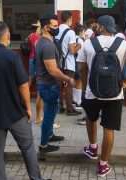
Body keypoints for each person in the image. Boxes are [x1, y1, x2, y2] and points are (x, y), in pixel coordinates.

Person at [0, 21, 50, 180]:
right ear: (8, 36)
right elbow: (23, 85)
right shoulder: (12, 57)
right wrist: (28, 108)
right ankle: (36, 178)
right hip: (16, 113)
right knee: (28, 147)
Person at [77, 15, 126, 177]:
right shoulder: (124, 44)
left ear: (100, 27)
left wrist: (86, 87)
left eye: (97, 25)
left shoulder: (88, 43)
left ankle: (92, 148)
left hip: (92, 91)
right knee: (109, 128)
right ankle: (103, 165)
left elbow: (81, 67)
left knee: (91, 118)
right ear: (112, 28)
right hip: (115, 93)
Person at [36, 14, 76, 153]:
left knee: (52, 113)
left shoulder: (46, 42)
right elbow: (52, 70)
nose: (57, 28)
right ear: (46, 27)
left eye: (57, 25)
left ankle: (50, 135)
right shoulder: (46, 45)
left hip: (50, 84)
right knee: (48, 115)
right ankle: (44, 145)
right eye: (54, 26)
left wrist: (61, 80)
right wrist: (68, 79)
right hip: (48, 85)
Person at [55, 11, 82, 116]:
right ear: (70, 19)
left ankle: (60, 106)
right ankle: (70, 109)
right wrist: (79, 45)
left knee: (60, 85)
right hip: (68, 63)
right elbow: (72, 50)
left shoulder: (56, 30)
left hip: (58, 63)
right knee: (69, 85)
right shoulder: (70, 32)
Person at [27, 20, 44, 125]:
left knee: (30, 79)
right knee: (38, 80)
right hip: (36, 60)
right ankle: (37, 98)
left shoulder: (30, 36)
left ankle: (25, 97)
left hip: (30, 59)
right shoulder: (38, 37)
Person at [73, 23, 88, 126]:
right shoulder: (80, 40)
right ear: (81, 31)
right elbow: (80, 52)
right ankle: (77, 101)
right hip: (79, 63)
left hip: (75, 62)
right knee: (79, 82)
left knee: (77, 82)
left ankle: (76, 100)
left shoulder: (76, 38)